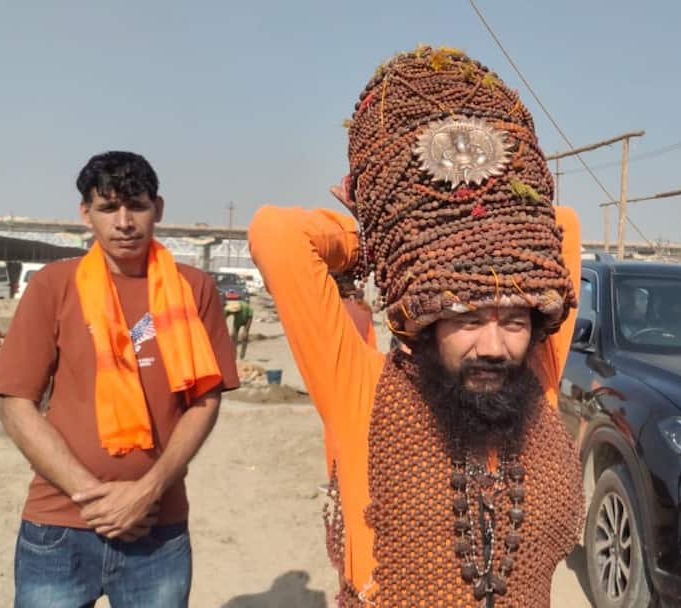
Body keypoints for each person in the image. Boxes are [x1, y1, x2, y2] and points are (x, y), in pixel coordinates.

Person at [249, 46, 583, 606]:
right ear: (426, 319)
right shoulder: (361, 391)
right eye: (468, 318)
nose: (494, 346)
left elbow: (563, 229)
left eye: (514, 321)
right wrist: (390, 239)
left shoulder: (537, 380)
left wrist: (470, 235)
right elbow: (276, 234)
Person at [0, 151, 240, 607]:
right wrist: (94, 498)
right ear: (86, 214)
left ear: (157, 209)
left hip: (156, 530)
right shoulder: (53, 285)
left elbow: (205, 400)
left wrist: (147, 491)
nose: (124, 222)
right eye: (107, 208)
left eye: (136, 206)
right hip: (59, 527)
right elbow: (16, 405)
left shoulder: (194, 288)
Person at [223, 292, 255, 358]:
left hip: (246, 321)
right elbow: (223, 318)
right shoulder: (229, 307)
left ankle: (242, 356)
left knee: (244, 337)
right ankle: (233, 354)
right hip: (237, 322)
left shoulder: (245, 306)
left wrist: (246, 330)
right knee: (233, 336)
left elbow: (250, 317)